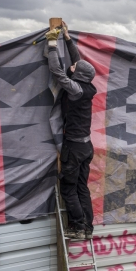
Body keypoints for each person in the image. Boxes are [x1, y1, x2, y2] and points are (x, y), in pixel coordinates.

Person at [45, 21, 97, 240]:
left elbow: (57, 71)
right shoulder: (88, 86)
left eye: (75, 68)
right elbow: (78, 62)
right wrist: (66, 37)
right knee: (82, 188)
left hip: (74, 148)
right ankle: (88, 227)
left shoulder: (75, 89)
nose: (73, 66)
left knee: (68, 188)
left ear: (79, 75)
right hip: (86, 146)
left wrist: (51, 44)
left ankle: (77, 227)